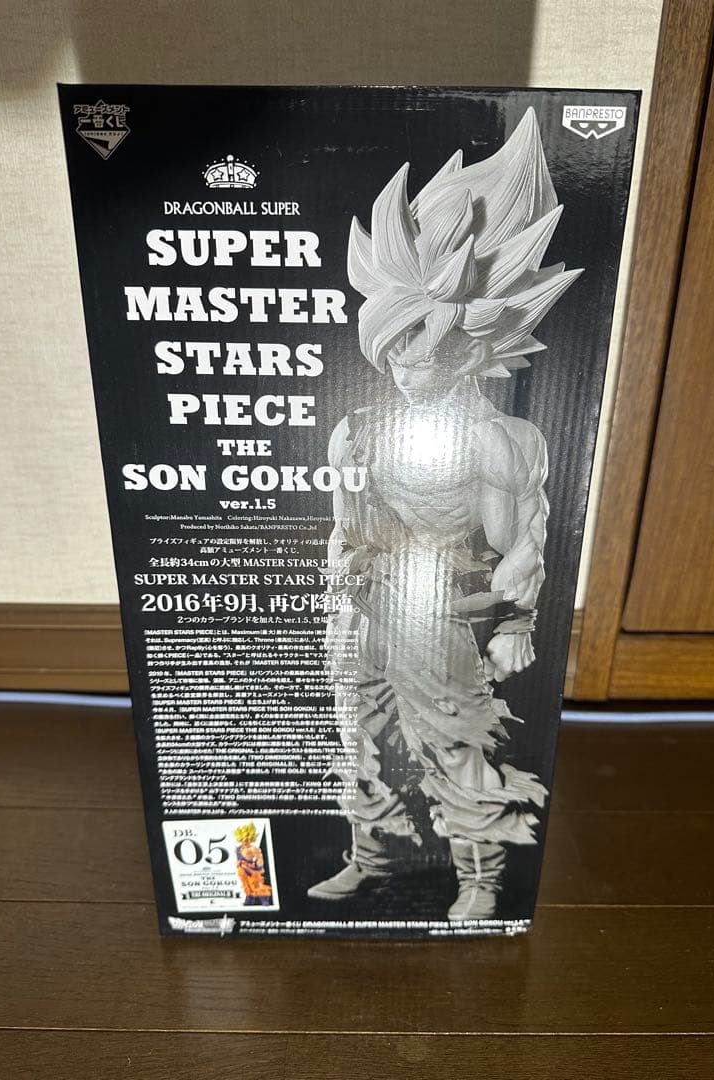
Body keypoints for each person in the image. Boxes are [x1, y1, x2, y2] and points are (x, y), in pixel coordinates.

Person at [307, 108, 581, 920]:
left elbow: (522, 538)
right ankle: (373, 857)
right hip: (366, 599)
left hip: (442, 604)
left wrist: (515, 620)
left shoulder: (502, 440)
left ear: (471, 347)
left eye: (427, 346)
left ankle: (481, 879)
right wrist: (335, 599)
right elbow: (343, 522)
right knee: (358, 730)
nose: (408, 365)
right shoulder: (356, 427)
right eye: (398, 346)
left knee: (454, 737)